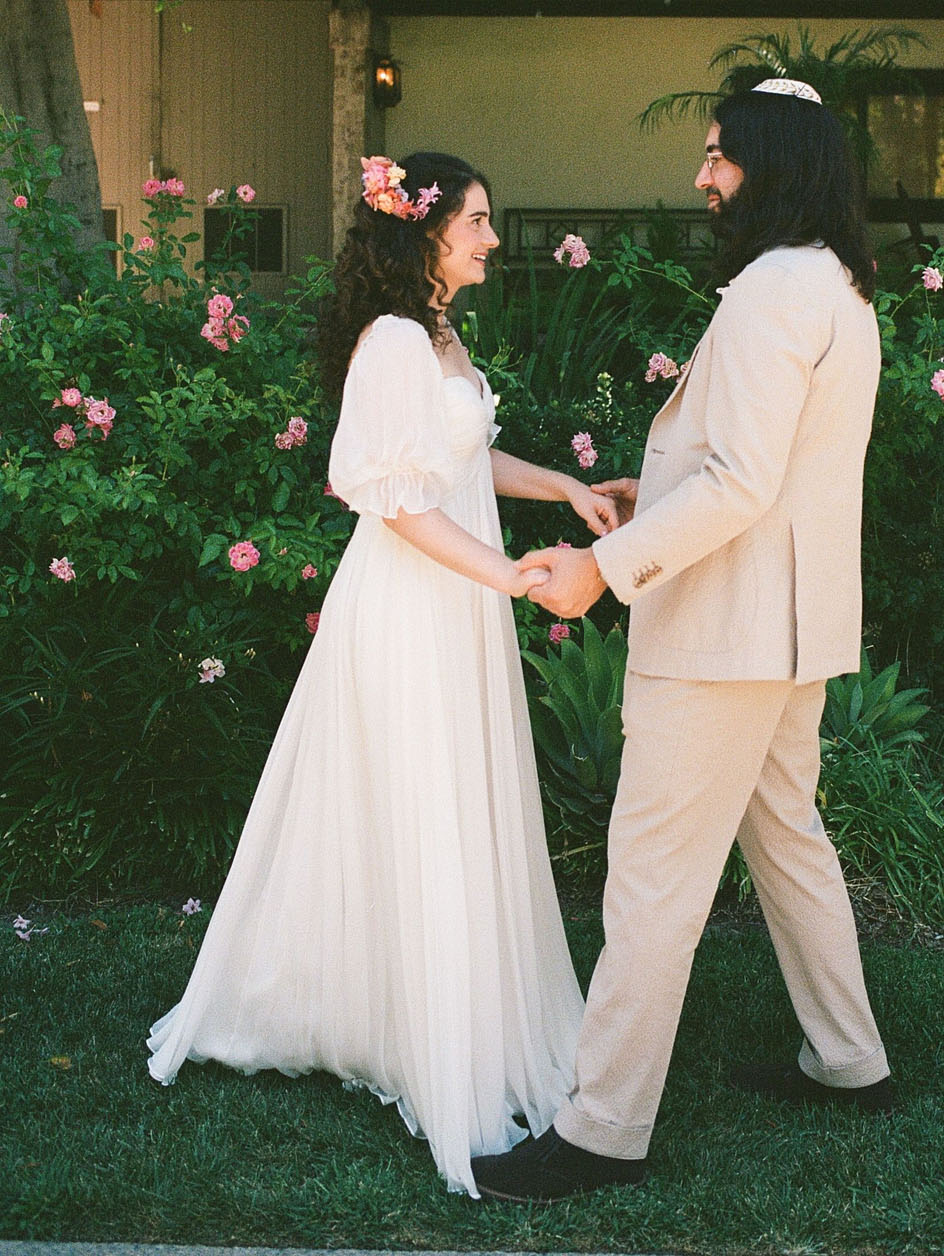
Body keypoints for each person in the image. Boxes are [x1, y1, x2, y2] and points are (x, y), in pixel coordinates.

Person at [148, 152, 616, 1199]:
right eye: (479, 222)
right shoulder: (396, 341)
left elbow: (462, 458)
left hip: (456, 601)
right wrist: (504, 573)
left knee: (445, 802)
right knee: (417, 808)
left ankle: (416, 1013)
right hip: (411, 608)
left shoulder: (439, 331)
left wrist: (568, 490)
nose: (494, 239)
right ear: (427, 231)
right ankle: (413, 1034)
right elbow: (394, 500)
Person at [471, 79, 892, 1203]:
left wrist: (599, 573)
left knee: (653, 878)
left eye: (718, 157)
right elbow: (763, 473)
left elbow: (743, 482)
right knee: (787, 840)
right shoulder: (841, 291)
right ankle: (848, 1059)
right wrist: (642, 495)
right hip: (788, 632)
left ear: (773, 163)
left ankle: (600, 1128)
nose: (701, 176)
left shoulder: (767, 293)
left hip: (722, 635)